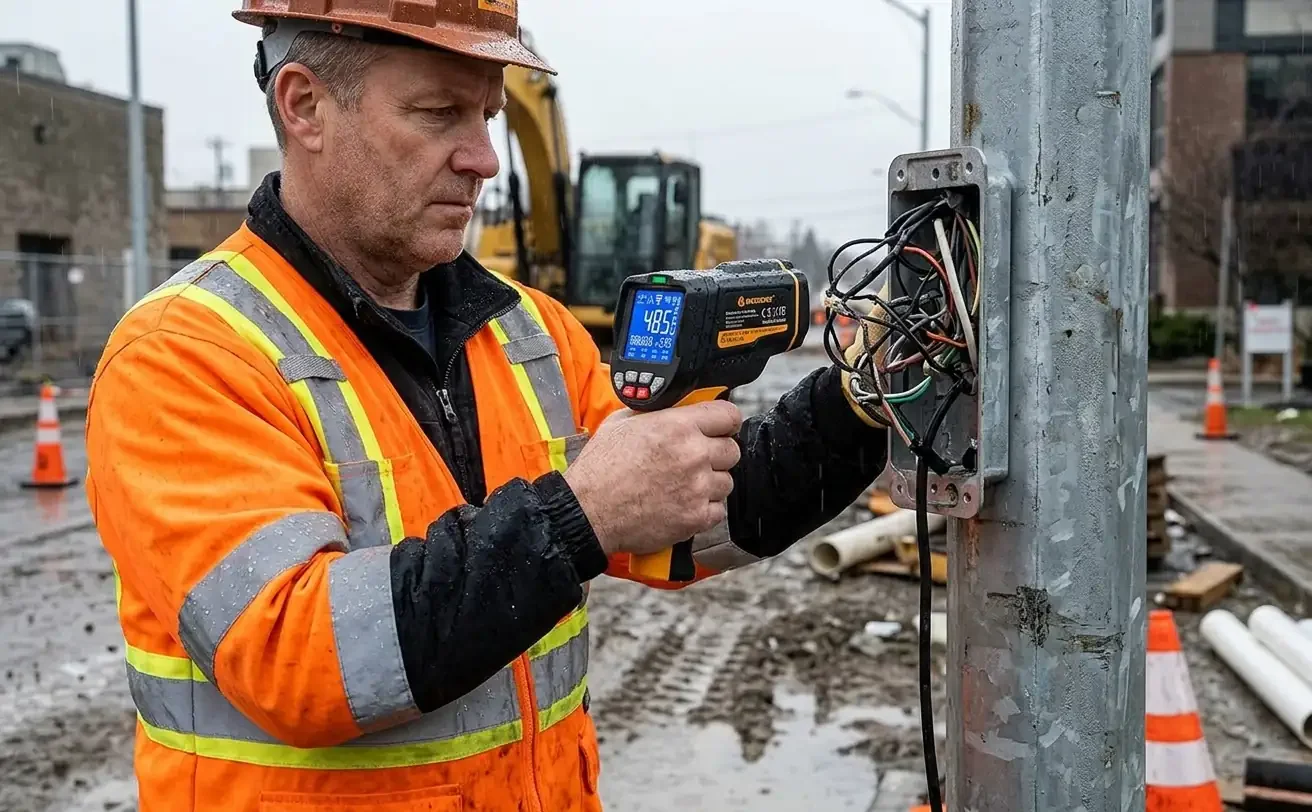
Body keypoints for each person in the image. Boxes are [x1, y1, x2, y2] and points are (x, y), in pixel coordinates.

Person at [85, 3, 888, 810]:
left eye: (489, 115)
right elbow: (298, 657)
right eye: (437, 114)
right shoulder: (186, 351)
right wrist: (583, 514)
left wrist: (862, 399)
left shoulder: (529, 330)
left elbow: (687, 512)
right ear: (304, 106)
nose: (484, 159)